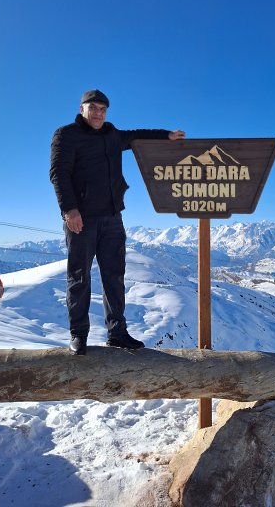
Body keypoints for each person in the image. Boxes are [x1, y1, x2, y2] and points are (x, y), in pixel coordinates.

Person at [50, 89, 185, 355]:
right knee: (79, 277)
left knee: (114, 277)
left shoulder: (112, 135)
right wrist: (70, 210)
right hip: (81, 219)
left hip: (112, 218)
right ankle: (78, 334)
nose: (98, 113)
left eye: (102, 109)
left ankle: (117, 333)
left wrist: (167, 135)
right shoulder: (66, 135)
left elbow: (138, 136)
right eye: (93, 108)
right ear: (82, 109)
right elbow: (58, 173)